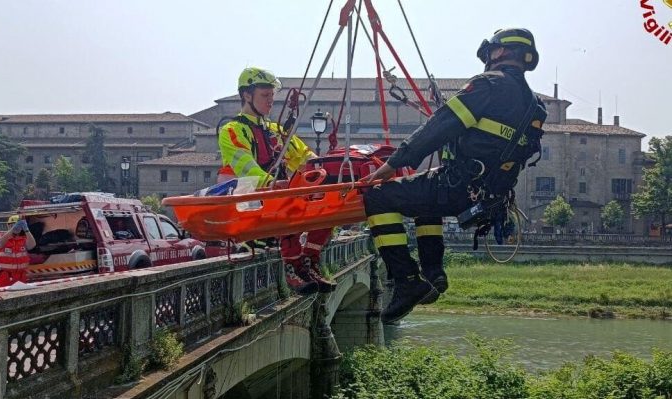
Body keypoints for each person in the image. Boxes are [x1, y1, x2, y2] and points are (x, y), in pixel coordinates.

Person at [362, 28, 548, 323]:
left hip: (460, 186)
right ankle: (434, 273)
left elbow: (441, 125)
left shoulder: (487, 84)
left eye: (490, 53)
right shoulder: (535, 105)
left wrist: (396, 162)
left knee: (378, 197)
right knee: (424, 200)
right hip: (488, 197)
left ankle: (407, 279)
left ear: (498, 52)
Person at [218, 67, 335, 295]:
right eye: (265, 95)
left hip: (275, 201)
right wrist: (272, 184)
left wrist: (327, 172)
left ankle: (309, 260)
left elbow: (304, 157)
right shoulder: (232, 130)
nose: (271, 101)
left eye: (272, 95)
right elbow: (246, 166)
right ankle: (292, 265)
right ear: (246, 95)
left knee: (326, 203)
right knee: (288, 203)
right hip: (248, 202)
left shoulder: (277, 131)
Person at [0, 214, 36, 288]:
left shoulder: (24, 239)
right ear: (8, 226)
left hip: (21, 278)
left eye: (15, 225)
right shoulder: (1, 237)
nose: (13, 227)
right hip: (5, 278)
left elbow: (32, 245)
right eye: (11, 225)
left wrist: (26, 230)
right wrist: (12, 230)